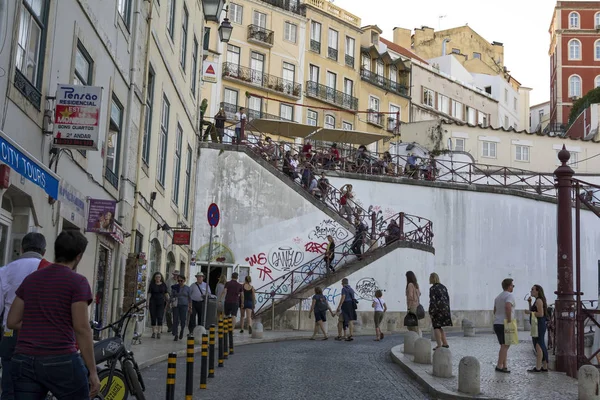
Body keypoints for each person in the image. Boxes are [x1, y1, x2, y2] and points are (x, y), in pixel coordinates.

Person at [7, 230, 100, 398]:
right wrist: (92, 372)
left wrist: (35, 325)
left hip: (24, 360)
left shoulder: (31, 279)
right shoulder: (77, 282)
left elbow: (12, 321)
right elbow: (81, 328)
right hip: (60, 359)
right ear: (78, 256)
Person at [0, 232, 50, 400]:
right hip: (39, 336)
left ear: (21, 249)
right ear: (44, 251)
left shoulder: (5, 270)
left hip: (10, 333)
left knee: (8, 382)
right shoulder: (48, 270)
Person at [524, 284, 549, 372]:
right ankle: (544, 366)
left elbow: (540, 314)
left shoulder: (539, 301)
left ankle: (538, 367)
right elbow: (534, 310)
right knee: (540, 344)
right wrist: (530, 303)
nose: (531, 291)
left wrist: (529, 312)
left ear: (537, 291)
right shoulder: (537, 300)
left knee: (538, 345)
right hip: (538, 324)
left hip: (539, 325)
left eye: (533, 289)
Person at [493, 278, 516, 373]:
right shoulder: (509, 295)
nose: (513, 287)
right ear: (509, 286)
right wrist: (509, 320)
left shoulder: (498, 297)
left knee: (503, 345)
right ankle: (499, 366)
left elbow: (494, 310)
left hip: (497, 322)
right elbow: (508, 306)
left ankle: (504, 365)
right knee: (505, 345)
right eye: (513, 285)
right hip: (505, 323)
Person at [428, 273, 452, 350]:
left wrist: (431, 311)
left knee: (436, 327)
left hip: (437, 310)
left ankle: (439, 345)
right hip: (445, 309)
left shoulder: (433, 288)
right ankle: (445, 343)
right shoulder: (444, 287)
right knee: (440, 327)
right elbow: (447, 299)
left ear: (432, 278)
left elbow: (433, 301)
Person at [148, 272, 168, 339]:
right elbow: (149, 294)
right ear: (154, 278)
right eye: (156, 277)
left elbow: (166, 293)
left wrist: (168, 301)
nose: (158, 278)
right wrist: (147, 302)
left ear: (161, 278)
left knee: (160, 317)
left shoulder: (163, 285)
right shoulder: (152, 285)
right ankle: (153, 332)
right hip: (153, 302)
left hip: (161, 303)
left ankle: (159, 332)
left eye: (159, 277)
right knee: (153, 317)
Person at [171, 275, 192, 341]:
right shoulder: (175, 287)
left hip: (184, 305)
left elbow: (190, 298)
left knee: (183, 320)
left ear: (184, 280)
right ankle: (176, 334)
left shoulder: (188, 288)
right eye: (178, 280)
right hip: (176, 305)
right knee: (175, 319)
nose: (180, 282)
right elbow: (172, 296)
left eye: (181, 281)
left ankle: (182, 330)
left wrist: (190, 307)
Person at [405, 271, 421, 336]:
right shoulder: (416, 285)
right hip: (417, 306)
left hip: (412, 306)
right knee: (415, 324)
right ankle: (417, 337)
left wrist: (409, 307)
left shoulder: (410, 285)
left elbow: (410, 297)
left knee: (411, 325)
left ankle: (415, 338)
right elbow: (419, 294)